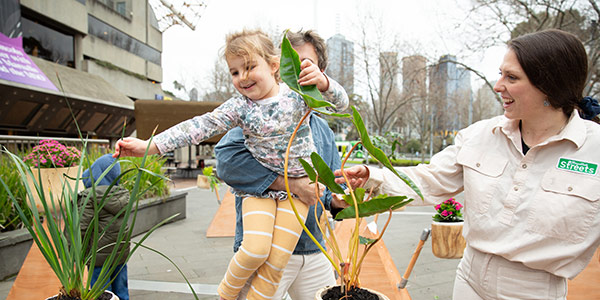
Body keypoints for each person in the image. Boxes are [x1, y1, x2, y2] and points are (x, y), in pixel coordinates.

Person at [335, 29, 600, 300]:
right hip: (469, 281)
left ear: (550, 85)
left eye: (512, 77)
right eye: (500, 74)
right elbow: (430, 179)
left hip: (536, 291)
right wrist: (372, 177)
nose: (498, 86)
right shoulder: (481, 135)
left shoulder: (594, 149)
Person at [113, 29, 349, 300]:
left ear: (273, 66)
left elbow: (340, 106)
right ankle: (225, 294)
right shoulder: (241, 109)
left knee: (276, 264)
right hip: (258, 196)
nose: (243, 77)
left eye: (249, 67)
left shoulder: (299, 99)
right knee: (255, 250)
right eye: (235, 72)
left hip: (302, 221)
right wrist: (148, 146)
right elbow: (198, 127)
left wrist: (325, 84)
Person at [215, 29, 348, 300]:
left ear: (321, 72)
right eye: (288, 64)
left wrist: (341, 201)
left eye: (304, 66)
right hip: (264, 252)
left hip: (313, 248)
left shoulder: (323, 131)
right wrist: (293, 185)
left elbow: (327, 194)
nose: (295, 74)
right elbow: (226, 162)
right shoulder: (259, 116)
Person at [80, 154, 130, 300]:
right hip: (120, 253)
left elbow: (82, 227)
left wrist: (72, 250)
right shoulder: (121, 194)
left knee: (101, 292)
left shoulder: (90, 197)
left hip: (99, 257)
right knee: (121, 290)